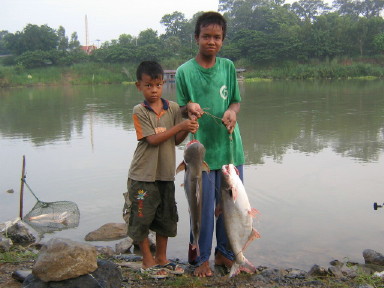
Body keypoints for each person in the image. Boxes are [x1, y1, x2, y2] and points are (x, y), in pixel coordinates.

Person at [175, 11, 245, 277]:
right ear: (196, 38)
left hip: (229, 148)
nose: (211, 42)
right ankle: (201, 257)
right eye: (206, 36)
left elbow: (235, 101)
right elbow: (181, 108)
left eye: (217, 37)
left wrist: (233, 112)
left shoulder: (228, 67)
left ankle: (225, 254)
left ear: (223, 40)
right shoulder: (184, 72)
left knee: (231, 205)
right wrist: (189, 107)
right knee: (202, 209)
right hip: (200, 153)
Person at [124, 60, 199, 279]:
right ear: (139, 86)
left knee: (165, 217)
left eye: (157, 85)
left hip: (166, 174)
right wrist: (181, 125)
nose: (154, 90)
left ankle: (162, 258)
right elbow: (154, 140)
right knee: (141, 218)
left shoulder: (173, 108)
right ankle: (147, 260)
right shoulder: (140, 111)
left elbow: (175, 139)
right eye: (148, 85)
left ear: (163, 83)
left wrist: (189, 125)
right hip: (143, 175)